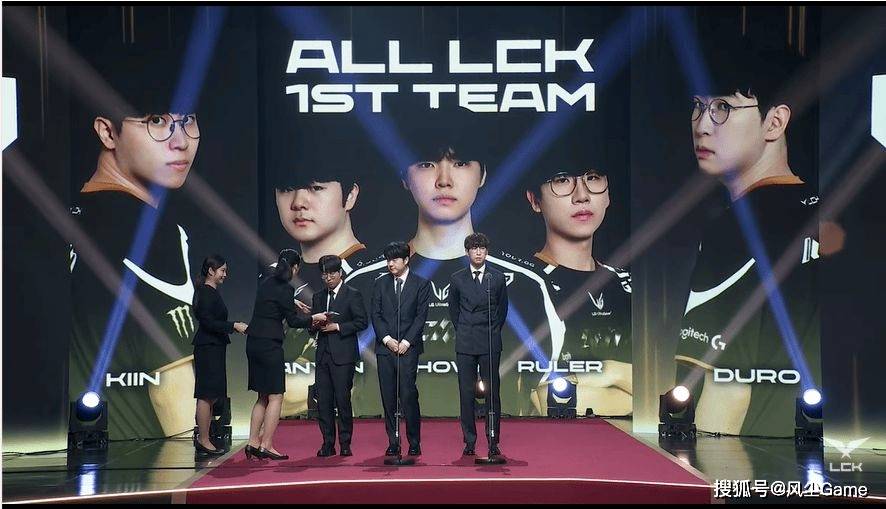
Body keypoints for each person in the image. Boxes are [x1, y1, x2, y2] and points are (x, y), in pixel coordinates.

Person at [345, 119, 561, 418]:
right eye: (426, 164)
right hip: (385, 422)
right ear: (404, 177)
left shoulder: (524, 283)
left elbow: (539, 386)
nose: (444, 180)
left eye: (460, 163)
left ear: (482, 175)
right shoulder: (364, 281)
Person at [674, 42, 820, 436]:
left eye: (723, 107)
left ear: (775, 122)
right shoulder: (822, 207)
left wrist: (701, 468)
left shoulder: (738, 226)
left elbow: (727, 386)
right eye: (698, 106)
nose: (702, 125)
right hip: (821, 445)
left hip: (751, 453)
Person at [69, 47, 205, 439]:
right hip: (148, 460)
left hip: (88, 447)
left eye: (187, 121)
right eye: (157, 121)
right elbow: (177, 406)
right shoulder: (149, 232)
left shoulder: (74, 212)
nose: (180, 141)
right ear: (107, 132)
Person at [523, 145, 633, 418]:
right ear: (534, 200)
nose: (582, 196)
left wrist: (611, 371)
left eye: (592, 178)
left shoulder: (630, 284)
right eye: (562, 180)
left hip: (632, 439)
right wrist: (636, 391)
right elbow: (547, 399)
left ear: (608, 193)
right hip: (552, 439)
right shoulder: (523, 284)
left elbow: (668, 385)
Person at [244, 249, 328, 460]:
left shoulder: (266, 281)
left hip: (253, 342)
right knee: (276, 396)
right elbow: (293, 321)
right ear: (295, 268)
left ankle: (252, 442)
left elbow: (271, 303)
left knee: (262, 395)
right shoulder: (286, 288)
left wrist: (292, 302)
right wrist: (314, 318)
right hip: (270, 345)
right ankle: (266, 444)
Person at [448, 233, 509, 456]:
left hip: (490, 340)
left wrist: (491, 330)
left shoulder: (497, 277)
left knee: (492, 393)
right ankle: (469, 441)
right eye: (474, 248)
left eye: (482, 248)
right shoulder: (457, 278)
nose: (478, 252)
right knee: (466, 393)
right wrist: (465, 329)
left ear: (487, 252)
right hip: (465, 341)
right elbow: (453, 310)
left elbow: (502, 310)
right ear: (467, 252)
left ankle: (493, 440)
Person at [371, 241, 431, 457]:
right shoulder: (380, 283)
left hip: (408, 349)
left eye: (395, 260)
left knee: (408, 395)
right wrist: (387, 339)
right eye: (388, 260)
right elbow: (375, 314)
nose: (390, 264)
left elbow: (420, 317)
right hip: (385, 348)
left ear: (406, 260)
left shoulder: (421, 284)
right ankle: (393, 442)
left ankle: (414, 441)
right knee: (388, 397)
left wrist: (406, 342)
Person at [311, 255, 368, 457]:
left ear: (340, 273)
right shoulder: (318, 297)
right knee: (323, 401)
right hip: (322, 355)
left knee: (342, 400)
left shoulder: (352, 294)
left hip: (343, 355)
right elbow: (311, 327)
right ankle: (328, 443)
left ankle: (345, 443)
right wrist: (313, 324)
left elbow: (362, 322)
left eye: (331, 274)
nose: (328, 278)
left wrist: (338, 326)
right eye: (324, 274)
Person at [191, 254, 248, 455]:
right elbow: (208, 322)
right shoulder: (206, 292)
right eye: (222, 270)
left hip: (214, 347)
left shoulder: (210, 292)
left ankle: (205, 437)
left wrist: (233, 327)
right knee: (206, 395)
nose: (225, 274)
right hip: (208, 347)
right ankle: (203, 439)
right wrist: (233, 326)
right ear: (211, 271)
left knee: (212, 396)